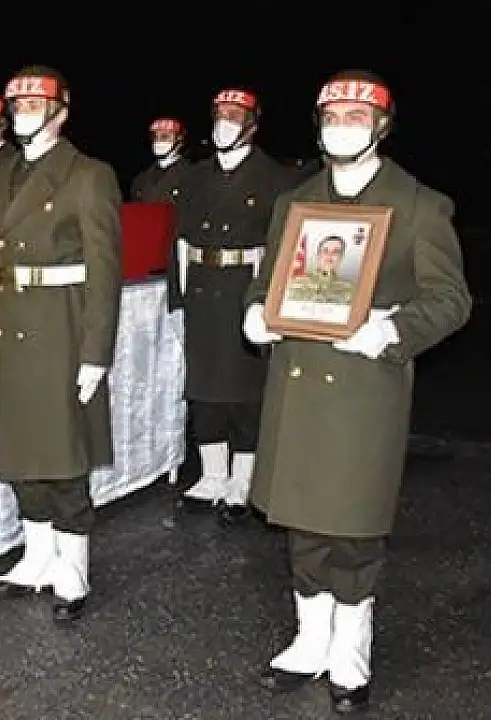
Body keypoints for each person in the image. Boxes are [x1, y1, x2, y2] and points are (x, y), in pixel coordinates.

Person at [242, 70, 472, 714]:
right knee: (301, 520)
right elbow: (268, 279)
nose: (343, 126)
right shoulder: (295, 202)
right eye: (333, 116)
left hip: (363, 387)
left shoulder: (420, 204)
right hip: (298, 385)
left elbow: (451, 299)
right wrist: (256, 310)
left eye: (357, 116)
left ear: (382, 126)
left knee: (352, 528)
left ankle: (350, 649)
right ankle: (309, 639)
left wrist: (391, 330)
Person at [0, 65, 123, 623]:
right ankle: (36, 556)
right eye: (17, 106)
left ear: (61, 112)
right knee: (20, 449)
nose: (23, 114)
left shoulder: (88, 175)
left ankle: (72, 567)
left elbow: (104, 272)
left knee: (63, 455)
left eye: (35, 105)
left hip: (59, 329)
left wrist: (95, 354)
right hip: (9, 325)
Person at [169, 87, 295, 524]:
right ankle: (211, 474)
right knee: (203, 387)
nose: (225, 120)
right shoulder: (195, 177)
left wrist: (271, 305)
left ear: (253, 124)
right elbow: (179, 239)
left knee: (245, 390)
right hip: (202, 288)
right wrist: (178, 299)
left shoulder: (275, 178)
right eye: (220, 112)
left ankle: (243, 479)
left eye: (235, 114)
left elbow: (281, 248)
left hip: (245, 288)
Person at [130, 117, 192, 202]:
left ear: (180, 140)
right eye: (155, 137)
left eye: (165, 136)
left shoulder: (192, 173)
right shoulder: (141, 179)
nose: (158, 141)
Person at [283, 235, 356, 303]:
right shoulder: (294, 283)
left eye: (336, 252)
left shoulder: (351, 289)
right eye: (325, 251)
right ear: (318, 255)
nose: (330, 255)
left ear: (341, 257)